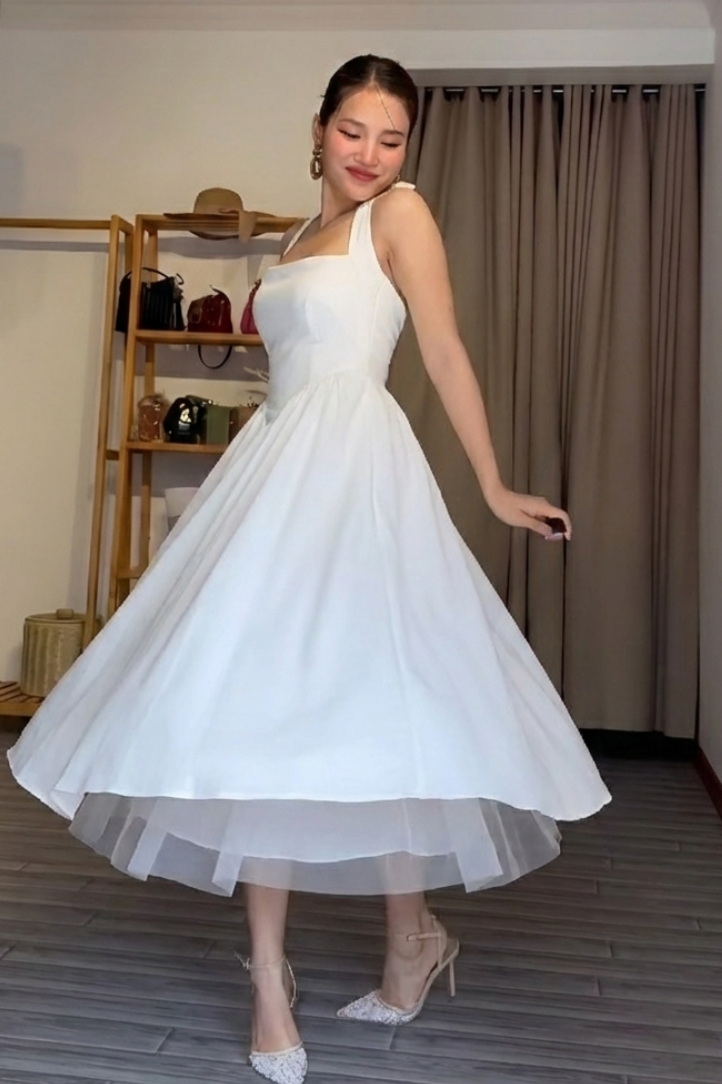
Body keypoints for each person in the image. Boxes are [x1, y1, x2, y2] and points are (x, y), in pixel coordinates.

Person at [8, 54, 611, 1084]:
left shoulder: (401, 216)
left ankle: (411, 941)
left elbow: (444, 351)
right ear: (319, 129)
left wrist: (494, 486)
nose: (370, 154)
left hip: (357, 475)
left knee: (377, 712)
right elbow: (286, 367)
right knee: (263, 718)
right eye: (353, 131)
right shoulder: (289, 240)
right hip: (277, 467)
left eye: (392, 138)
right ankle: (270, 983)